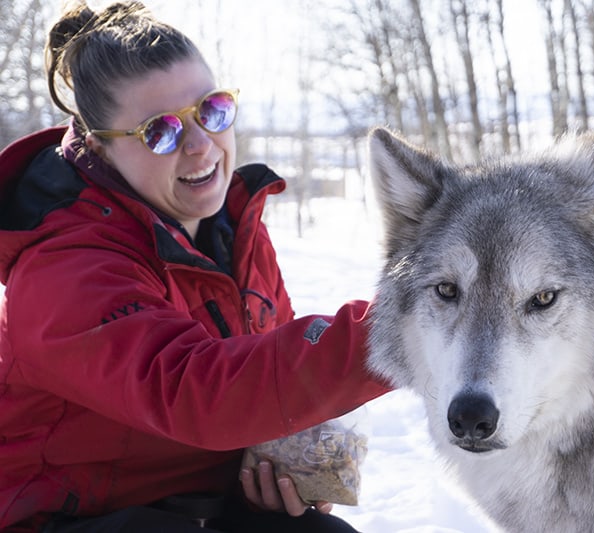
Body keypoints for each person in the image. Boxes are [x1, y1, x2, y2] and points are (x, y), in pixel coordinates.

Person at [0, 1, 391, 531]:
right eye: (159, 131)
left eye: (212, 109)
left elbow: (262, 370)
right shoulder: (63, 267)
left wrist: (282, 469)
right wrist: (402, 330)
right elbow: (194, 391)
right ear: (99, 149)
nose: (201, 144)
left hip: (202, 504)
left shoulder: (231, 228)